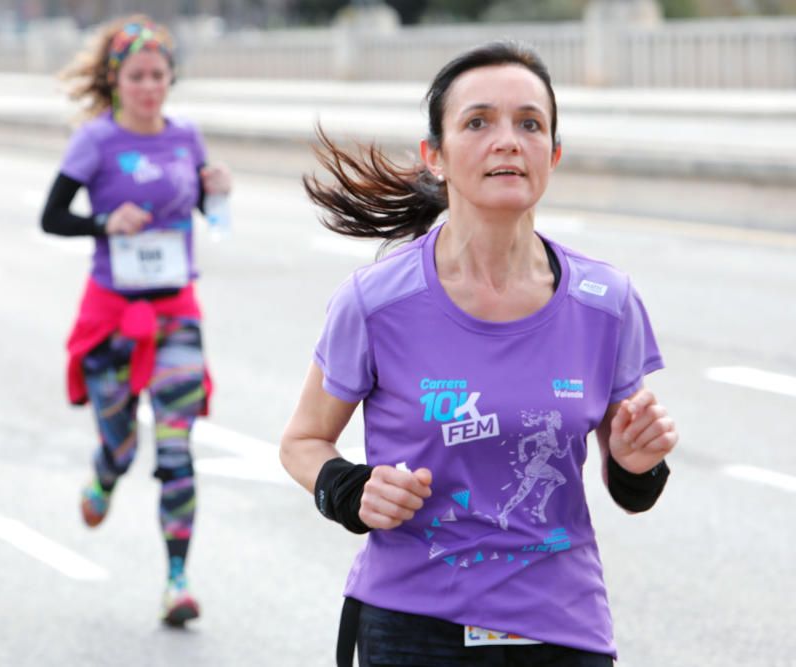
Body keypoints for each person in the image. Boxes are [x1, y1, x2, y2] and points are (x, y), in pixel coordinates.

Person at [280, 41, 678, 666]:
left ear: (554, 153)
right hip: (413, 625)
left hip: (561, 629)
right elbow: (302, 441)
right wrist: (350, 490)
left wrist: (636, 465)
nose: (508, 141)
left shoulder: (606, 302)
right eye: (477, 122)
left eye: (529, 124)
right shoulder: (376, 302)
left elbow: (632, 487)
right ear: (434, 157)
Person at [40, 15, 231, 627]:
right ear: (116, 81)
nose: (150, 86)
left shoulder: (187, 136)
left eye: (159, 75)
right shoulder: (95, 141)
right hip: (112, 316)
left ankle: (177, 580)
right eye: (138, 76)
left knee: (176, 449)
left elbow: (208, 212)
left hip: (176, 311)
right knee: (123, 446)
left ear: (171, 78)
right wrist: (104, 223)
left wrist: (218, 193)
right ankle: (104, 474)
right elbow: (52, 217)